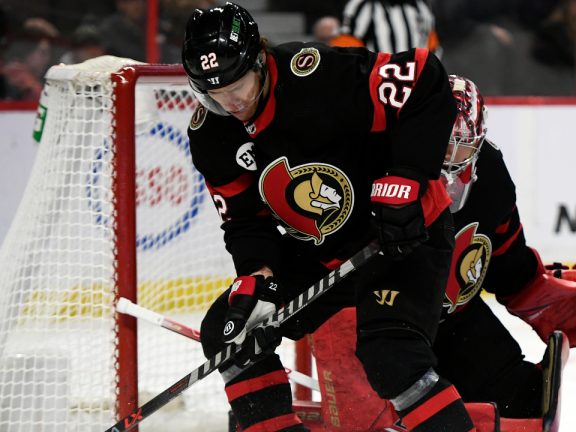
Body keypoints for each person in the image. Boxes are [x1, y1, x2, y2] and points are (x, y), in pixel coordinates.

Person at [182, 2, 477, 431]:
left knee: (392, 359)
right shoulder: (211, 132)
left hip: (402, 234)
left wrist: (406, 179)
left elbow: (424, 77)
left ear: (260, 59)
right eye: (215, 93)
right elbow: (245, 221)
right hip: (324, 251)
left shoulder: (317, 76)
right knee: (228, 333)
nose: (232, 101)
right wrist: (258, 275)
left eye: (238, 85)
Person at [308, 75, 576, 430]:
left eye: (459, 147)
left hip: (449, 316)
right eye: (437, 143)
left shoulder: (489, 174)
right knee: (381, 419)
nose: (447, 159)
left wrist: (533, 285)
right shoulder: (369, 164)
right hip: (372, 322)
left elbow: (504, 252)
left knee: (520, 401)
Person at [331, 0, 439, 53]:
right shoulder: (363, 6)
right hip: (379, 85)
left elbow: (431, 45)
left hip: (420, 83)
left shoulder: (420, 6)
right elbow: (345, 54)